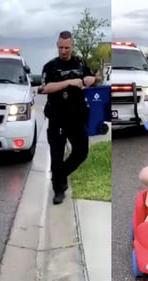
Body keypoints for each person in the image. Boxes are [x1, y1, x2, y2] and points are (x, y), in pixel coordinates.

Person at [39, 30, 97, 204]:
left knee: (81, 152)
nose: (64, 51)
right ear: (57, 46)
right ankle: (58, 188)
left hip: (77, 116)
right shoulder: (50, 66)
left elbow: (94, 78)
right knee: (56, 155)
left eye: (67, 47)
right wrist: (69, 82)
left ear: (72, 46)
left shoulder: (80, 63)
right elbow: (45, 88)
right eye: (61, 47)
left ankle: (60, 174)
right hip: (57, 117)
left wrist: (90, 79)